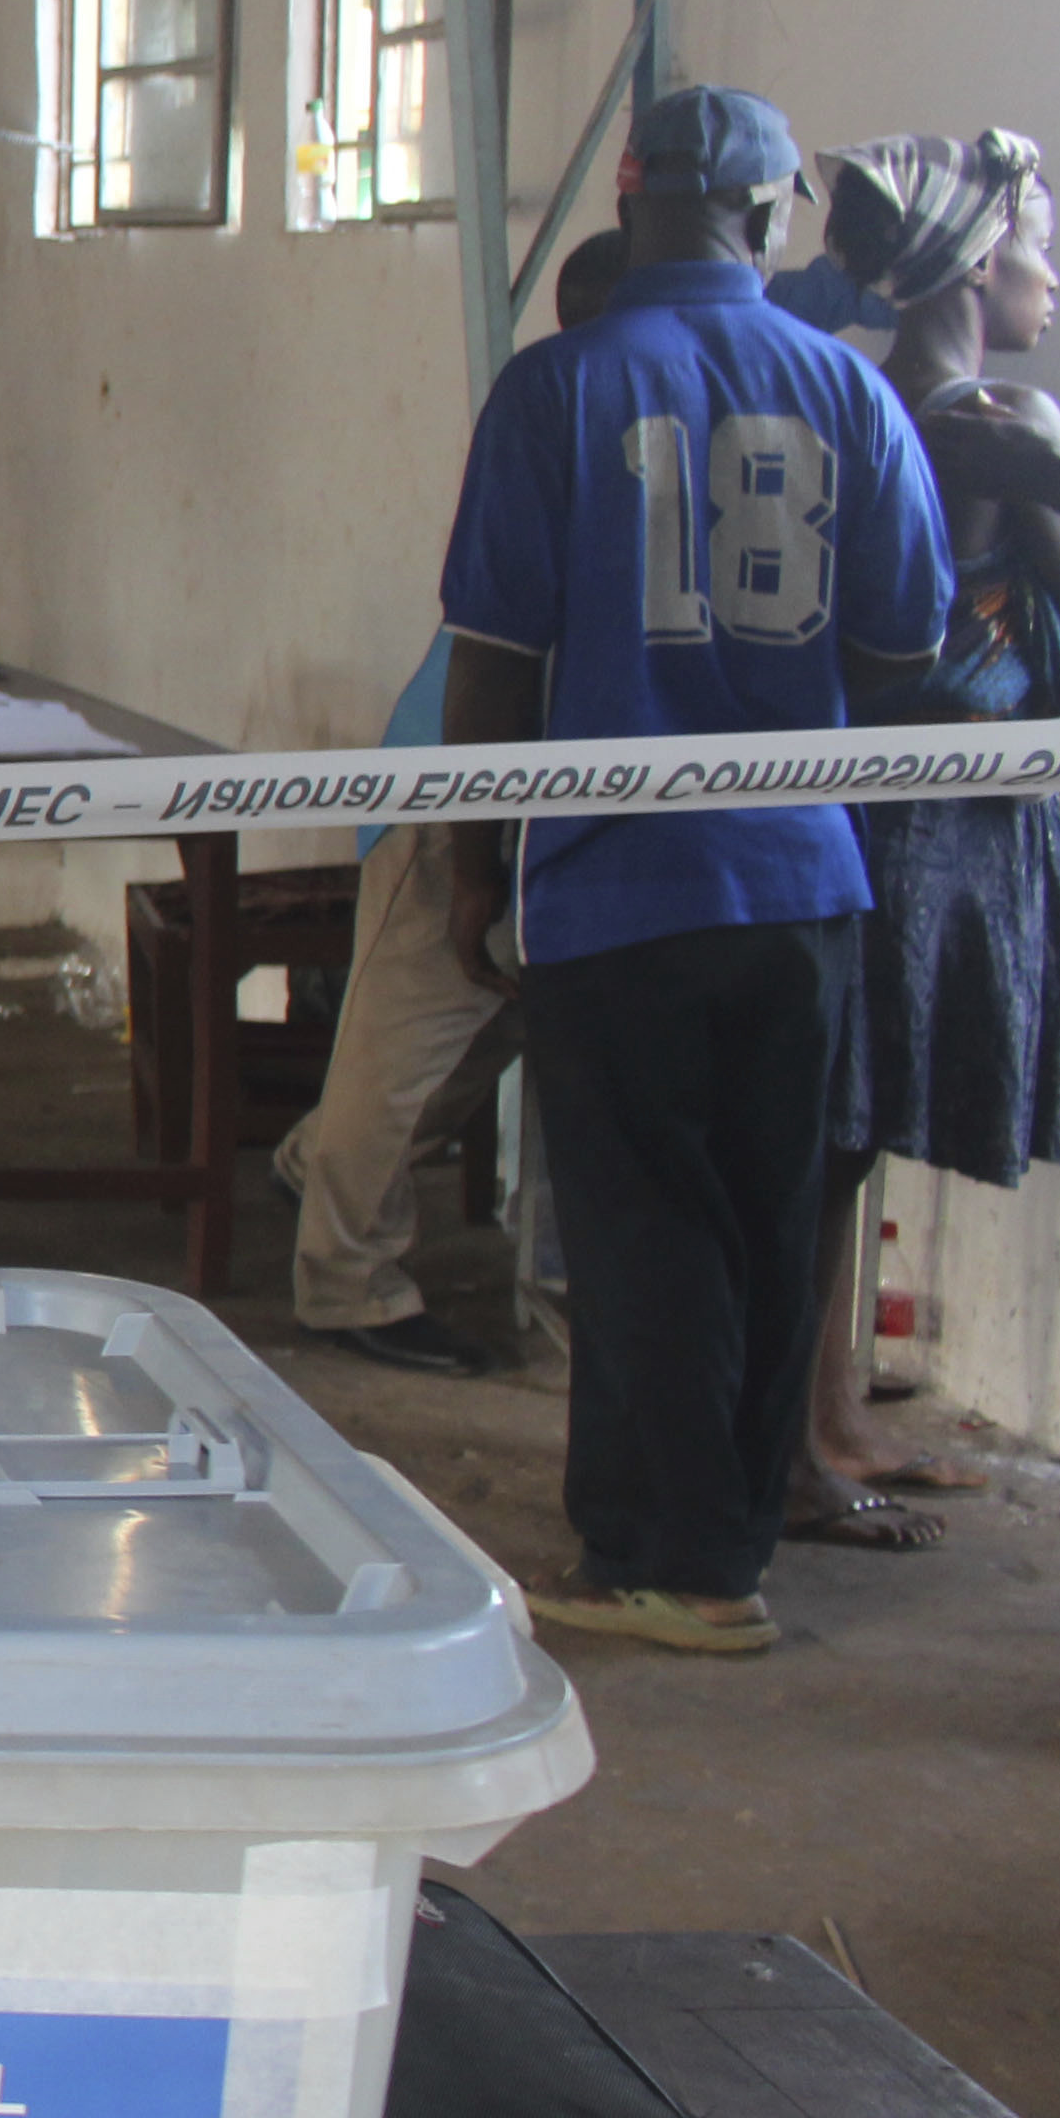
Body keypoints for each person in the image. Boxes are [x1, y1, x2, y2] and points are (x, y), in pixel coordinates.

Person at [433, 87, 947, 1657]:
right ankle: (731, 1528)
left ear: (632, 202)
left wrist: (475, 873)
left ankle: (674, 1562)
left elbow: (495, 669)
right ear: (770, 213)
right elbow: (903, 645)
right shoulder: (851, 398)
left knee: (644, 1222)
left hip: (615, 884)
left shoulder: (553, 392)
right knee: (770, 1211)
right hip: (800, 883)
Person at [792, 132, 1060, 1547]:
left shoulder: (865, 400)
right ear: (983, 259)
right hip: (943, 821)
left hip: (872, 796)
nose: (1058, 277)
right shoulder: (1000, 419)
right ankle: (809, 1440)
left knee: (843, 1132)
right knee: (840, 1142)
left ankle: (836, 1416)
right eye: (1044, 245)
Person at [277, 232, 627, 1375]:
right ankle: (349, 1288)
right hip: (457, 796)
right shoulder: (566, 432)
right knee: (405, 1042)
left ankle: (317, 1169)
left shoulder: (627, 435)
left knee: (491, 1030)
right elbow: (492, 662)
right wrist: (477, 847)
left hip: (557, 805)